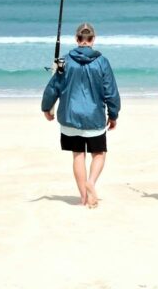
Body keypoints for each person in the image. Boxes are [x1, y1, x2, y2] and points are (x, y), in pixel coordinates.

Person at [42, 22, 120, 208]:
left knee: (78, 155)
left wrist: (46, 108)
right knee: (99, 154)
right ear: (93, 40)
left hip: (70, 118)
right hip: (94, 117)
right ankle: (91, 182)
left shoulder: (64, 61)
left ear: (77, 39)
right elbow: (111, 91)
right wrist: (113, 114)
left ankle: (84, 197)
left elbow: (54, 87)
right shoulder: (102, 62)